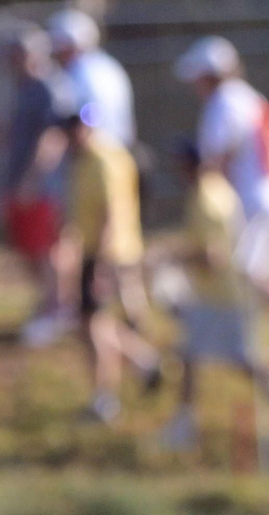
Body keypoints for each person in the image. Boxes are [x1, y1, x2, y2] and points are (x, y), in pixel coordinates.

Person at [158, 136, 269, 452]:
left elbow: (213, 257)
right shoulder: (217, 191)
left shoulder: (206, 199)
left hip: (221, 296)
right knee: (189, 357)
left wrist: (174, 255)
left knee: (247, 364)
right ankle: (184, 424)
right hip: (218, 294)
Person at [52, 100, 162, 422]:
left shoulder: (103, 160)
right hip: (98, 251)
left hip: (109, 254)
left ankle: (106, 399)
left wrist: (98, 264)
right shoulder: (83, 160)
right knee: (91, 321)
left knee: (95, 324)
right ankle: (144, 363)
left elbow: (110, 216)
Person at [174, 36, 269, 298]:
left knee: (245, 272)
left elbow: (217, 160)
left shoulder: (223, 101)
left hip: (254, 196)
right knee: (254, 274)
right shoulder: (246, 95)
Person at [5, 26, 76, 345]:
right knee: (30, 249)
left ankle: (57, 310)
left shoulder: (50, 85)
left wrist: (31, 180)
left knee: (49, 249)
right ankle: (51, 304)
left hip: (43, 186)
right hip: (20, 182)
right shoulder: (23, 86)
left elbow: (54, 136)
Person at [47, 9, 136, 148]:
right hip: (119, 148)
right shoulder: (105, 64)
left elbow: (91, 113)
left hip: (98, 150)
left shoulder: (81, 70)